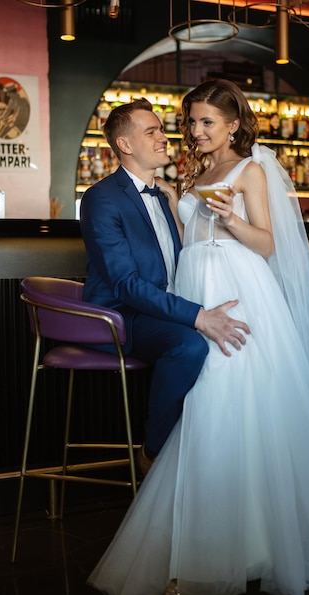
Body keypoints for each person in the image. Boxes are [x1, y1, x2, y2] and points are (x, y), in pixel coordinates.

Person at [87, 80, 309, 595]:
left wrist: (229, 218)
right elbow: (184, 245)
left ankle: (240, 551)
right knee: (204, 404)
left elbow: (268, 243)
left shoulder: (250, 169)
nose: (193, 131)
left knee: (237, 402)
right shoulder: (187, 177)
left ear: (233, 125)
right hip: (193, 292)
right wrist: (176, 204)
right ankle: (204, 548)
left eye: (206, 122)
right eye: (190, 122)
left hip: (239, 293)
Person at [80, 97, 249, 477]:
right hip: (123, 316)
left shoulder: (166, 193)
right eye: (151, 131)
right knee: (190, 344)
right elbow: (125, 284)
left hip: (167, 306)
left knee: (240, 343)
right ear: (124, 145)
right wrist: (198, 316)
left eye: (161, 129)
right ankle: (154, 453)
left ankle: (224, 468)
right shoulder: (101, 199)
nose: (164, 138)